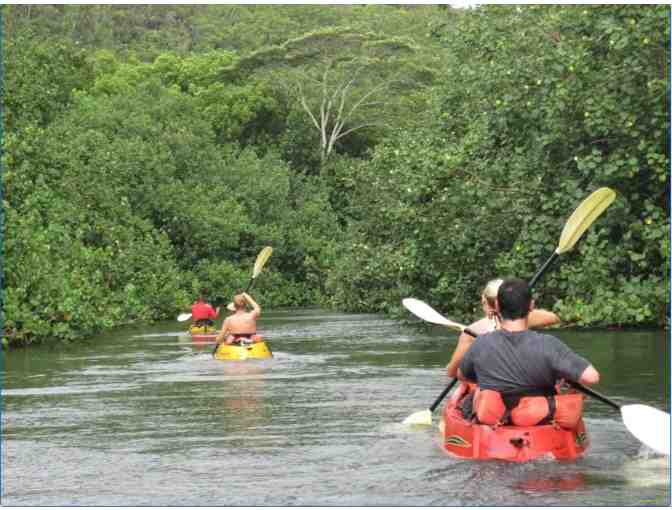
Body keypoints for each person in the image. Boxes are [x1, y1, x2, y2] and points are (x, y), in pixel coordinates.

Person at [457, 278, 599, 428]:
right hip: (538, 421)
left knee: (472, 400)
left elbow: (462, 375)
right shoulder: (549, 344)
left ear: (497, 306)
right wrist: (566, 375)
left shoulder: (480, 343)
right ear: (531, 305)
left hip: (495, 423)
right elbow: (592, 377)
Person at [446, 278, 560, 377]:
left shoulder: (472, 332)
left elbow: (452, 372)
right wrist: (525, 309)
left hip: (493, 386)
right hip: (527, 378)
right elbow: (554, 318)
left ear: (485, 302)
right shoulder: (527, 318)